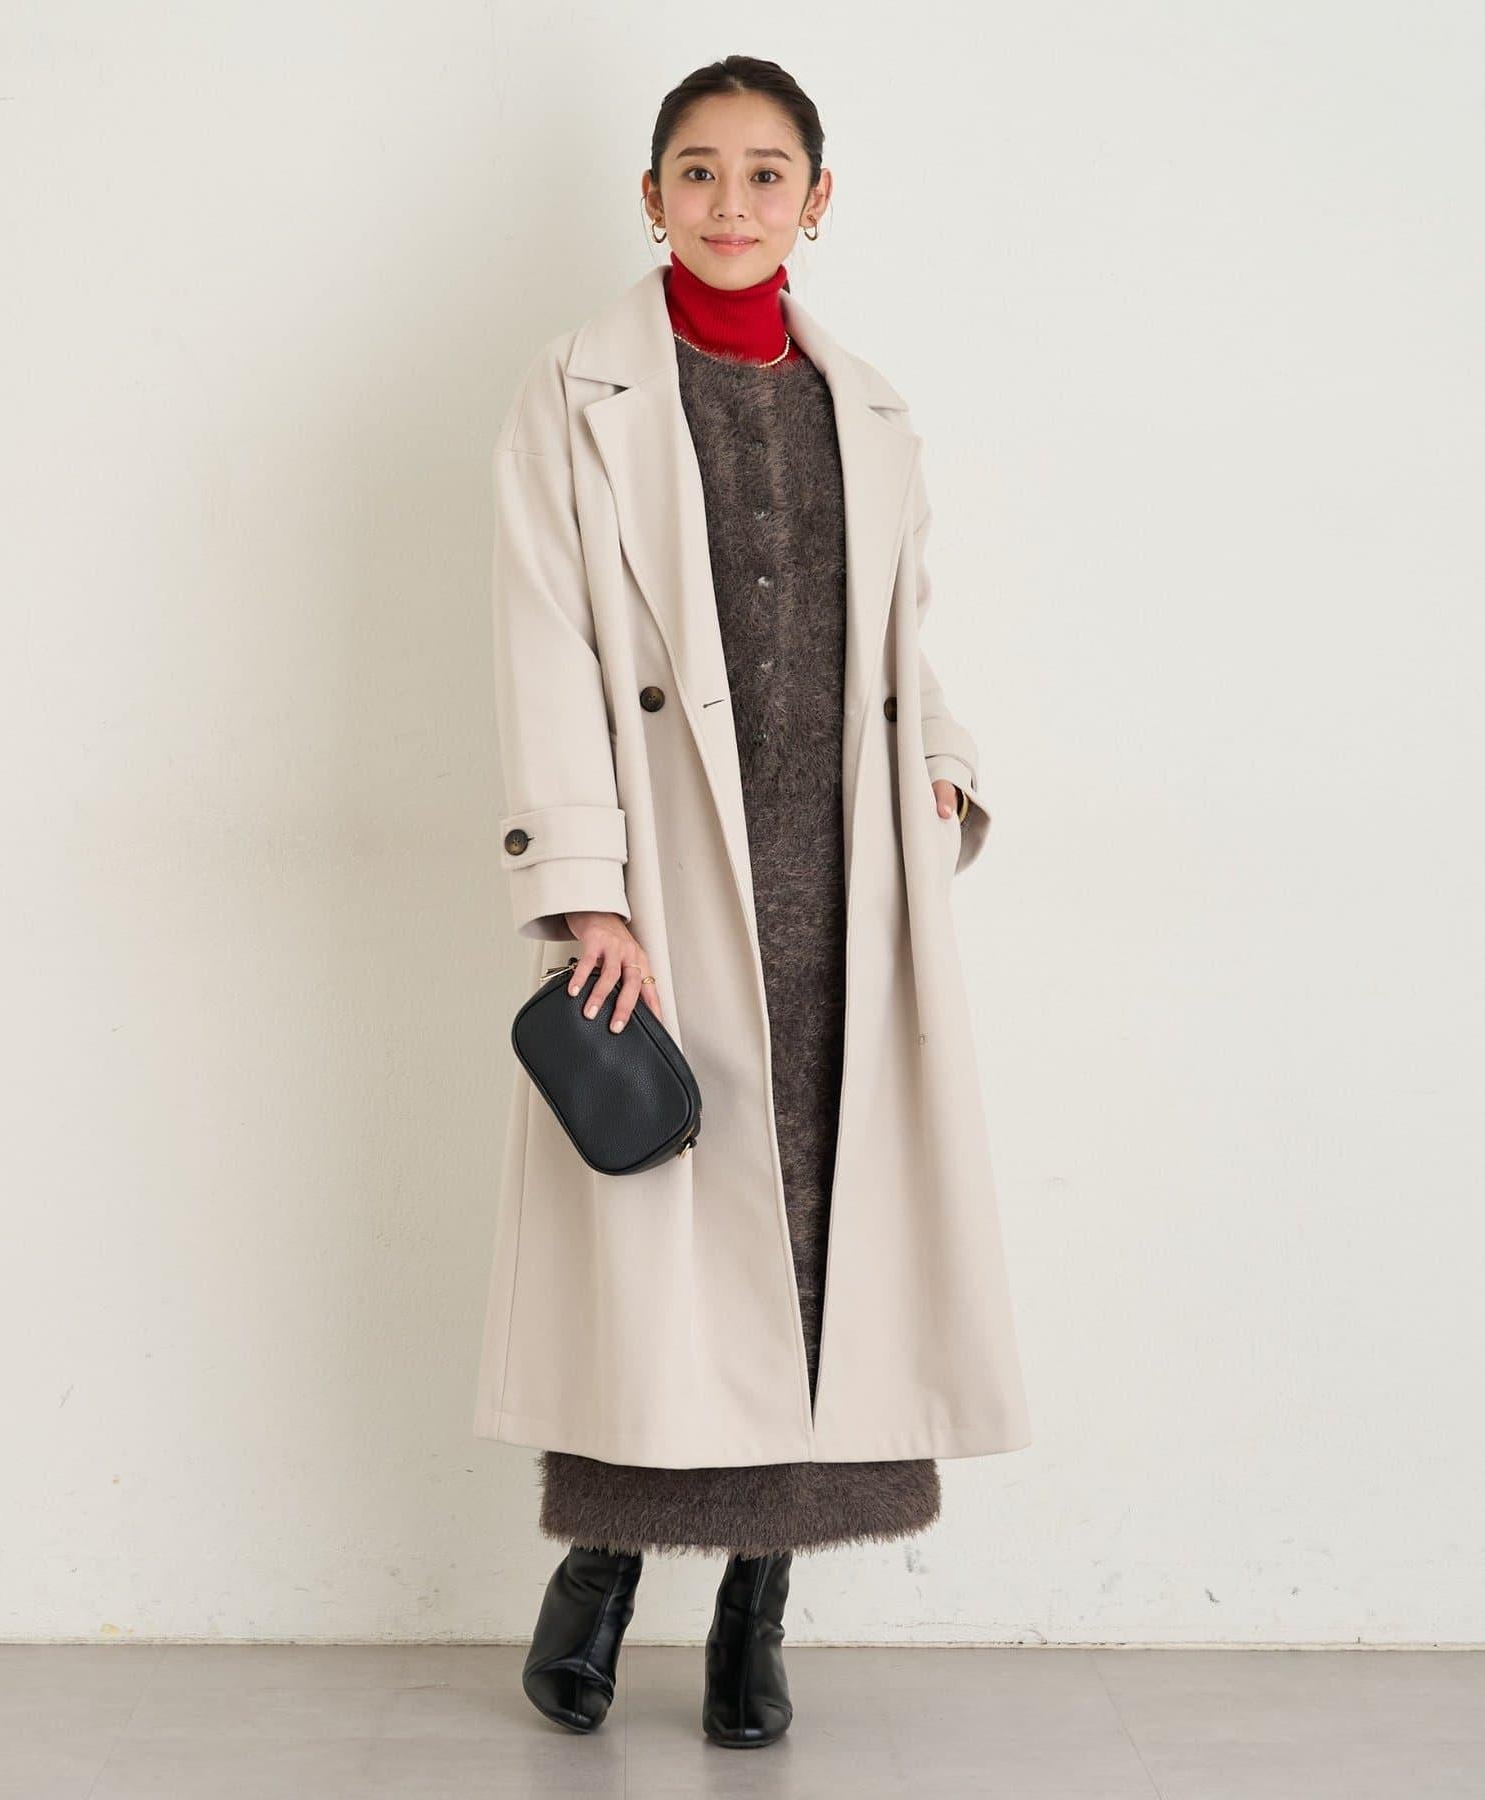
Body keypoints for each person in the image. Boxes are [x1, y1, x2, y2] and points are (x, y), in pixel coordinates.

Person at [481, 55, 1030, 1748]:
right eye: (700, 171)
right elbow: (543, 641)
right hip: (668, 869)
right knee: (661, 1242)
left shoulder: (870, 408)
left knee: (817, 1247)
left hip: (843, 877)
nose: (733, 201)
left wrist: (942, 768)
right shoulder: (574, 393)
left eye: (767, 171)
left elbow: (904, 636)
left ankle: (754, 1612)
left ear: (818, 200)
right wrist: (587, 891)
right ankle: (600, 1573)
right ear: (651, 198)